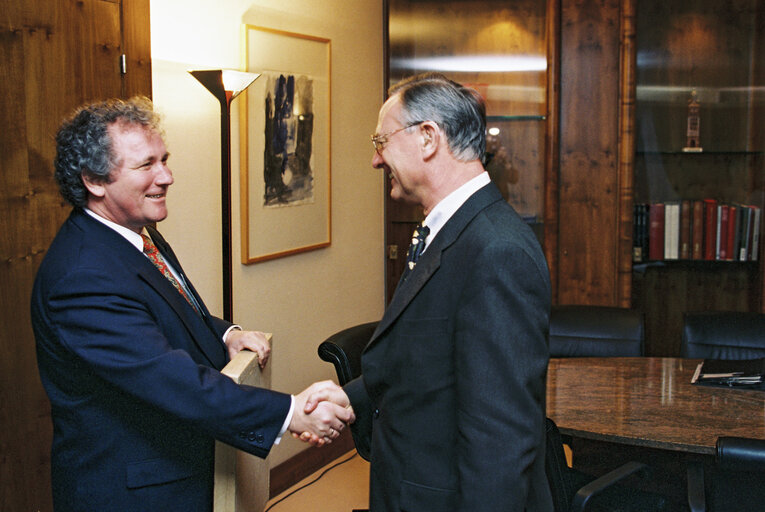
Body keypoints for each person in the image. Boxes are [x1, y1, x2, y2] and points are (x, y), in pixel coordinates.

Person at [31, 96, 352, 511]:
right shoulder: (82, 276)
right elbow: (169, 379)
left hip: (174, 472)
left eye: (164, 159)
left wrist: (226, 334)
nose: (166, 176)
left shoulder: (134, 233)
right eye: (146, 165)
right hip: (133, 491)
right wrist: (291, 412)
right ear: (94, 181)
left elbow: (164, 309)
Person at [307, 73, 553, 511]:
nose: (375, 161)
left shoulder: (496, 251)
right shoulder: (450, 230)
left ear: (427, 138)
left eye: (380, 142)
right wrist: (351, 396)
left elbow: (500, 438)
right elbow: (423, 358)